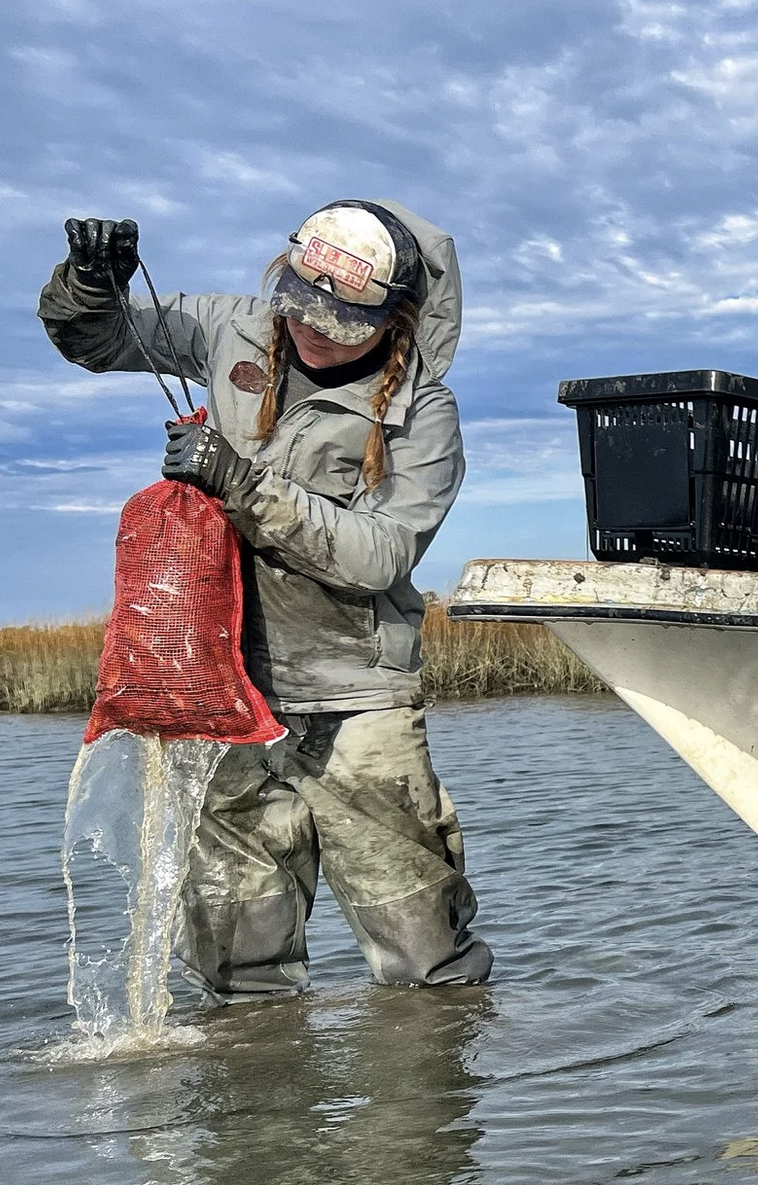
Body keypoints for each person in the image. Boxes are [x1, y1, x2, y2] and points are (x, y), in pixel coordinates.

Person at [39, 201, 491, 998]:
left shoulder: (425, 414)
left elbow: (378, 553)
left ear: (394, 317)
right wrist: (91, 284)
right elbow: (101, 341)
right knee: (237, 963)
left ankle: (426, 1111)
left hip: (358, 700)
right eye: (301, 306)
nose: (314, 330)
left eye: (341, 320)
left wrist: (241, 481)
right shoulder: (230, 327)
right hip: (224, 693)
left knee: (426, 960)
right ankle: (262, 1110)